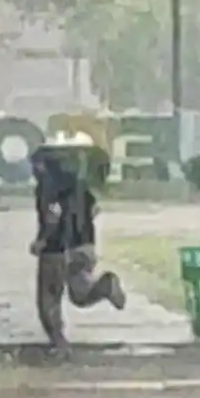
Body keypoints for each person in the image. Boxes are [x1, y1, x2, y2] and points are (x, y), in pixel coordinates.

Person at [29, 135, 126, 347]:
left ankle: (58, 343)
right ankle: (105, 285)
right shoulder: (82, 187)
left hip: (56, 249)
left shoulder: (48, 187)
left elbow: (53, 214)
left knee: (48, 298)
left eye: (37, 164)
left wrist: (42, 239)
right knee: (81, 294)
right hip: (84, 245)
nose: (35, 169)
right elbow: (93, 211)